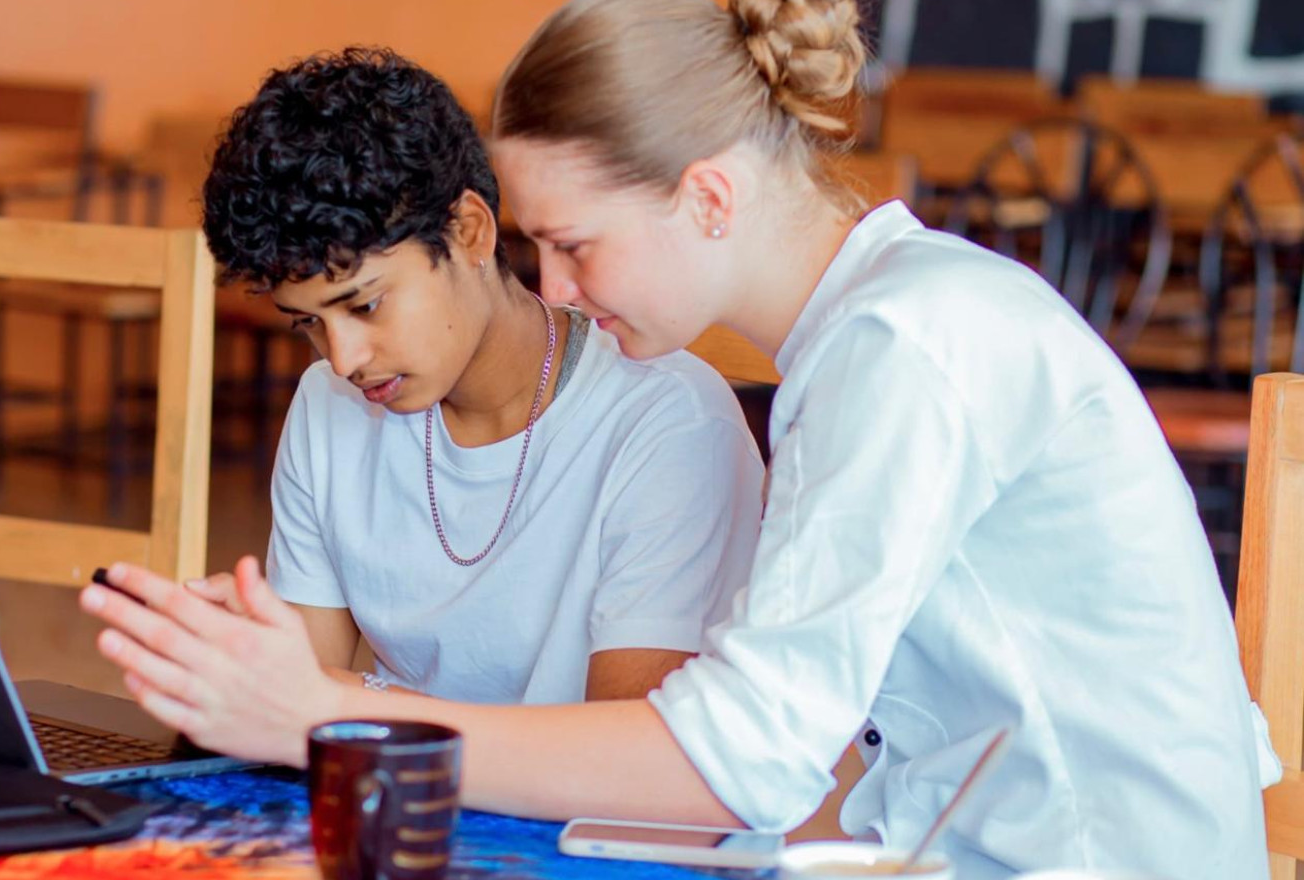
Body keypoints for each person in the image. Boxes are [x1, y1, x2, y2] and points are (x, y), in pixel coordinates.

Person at [82, 1, 1275, 876]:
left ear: (708, 197)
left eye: (576, 244)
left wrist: (325, 716)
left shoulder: (904, 346)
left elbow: (736, 762)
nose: (549, 283)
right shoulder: (867, 330)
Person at [195, 48, 765, 705]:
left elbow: (628, 758)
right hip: (408, 798)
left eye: (365, 304)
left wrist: (350, 699)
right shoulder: (329, 406)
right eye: (309, 324)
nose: (343, 359)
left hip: (587, 809)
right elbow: (300, 710)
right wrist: (240, 666)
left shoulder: (667, 424)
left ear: (469, 232)